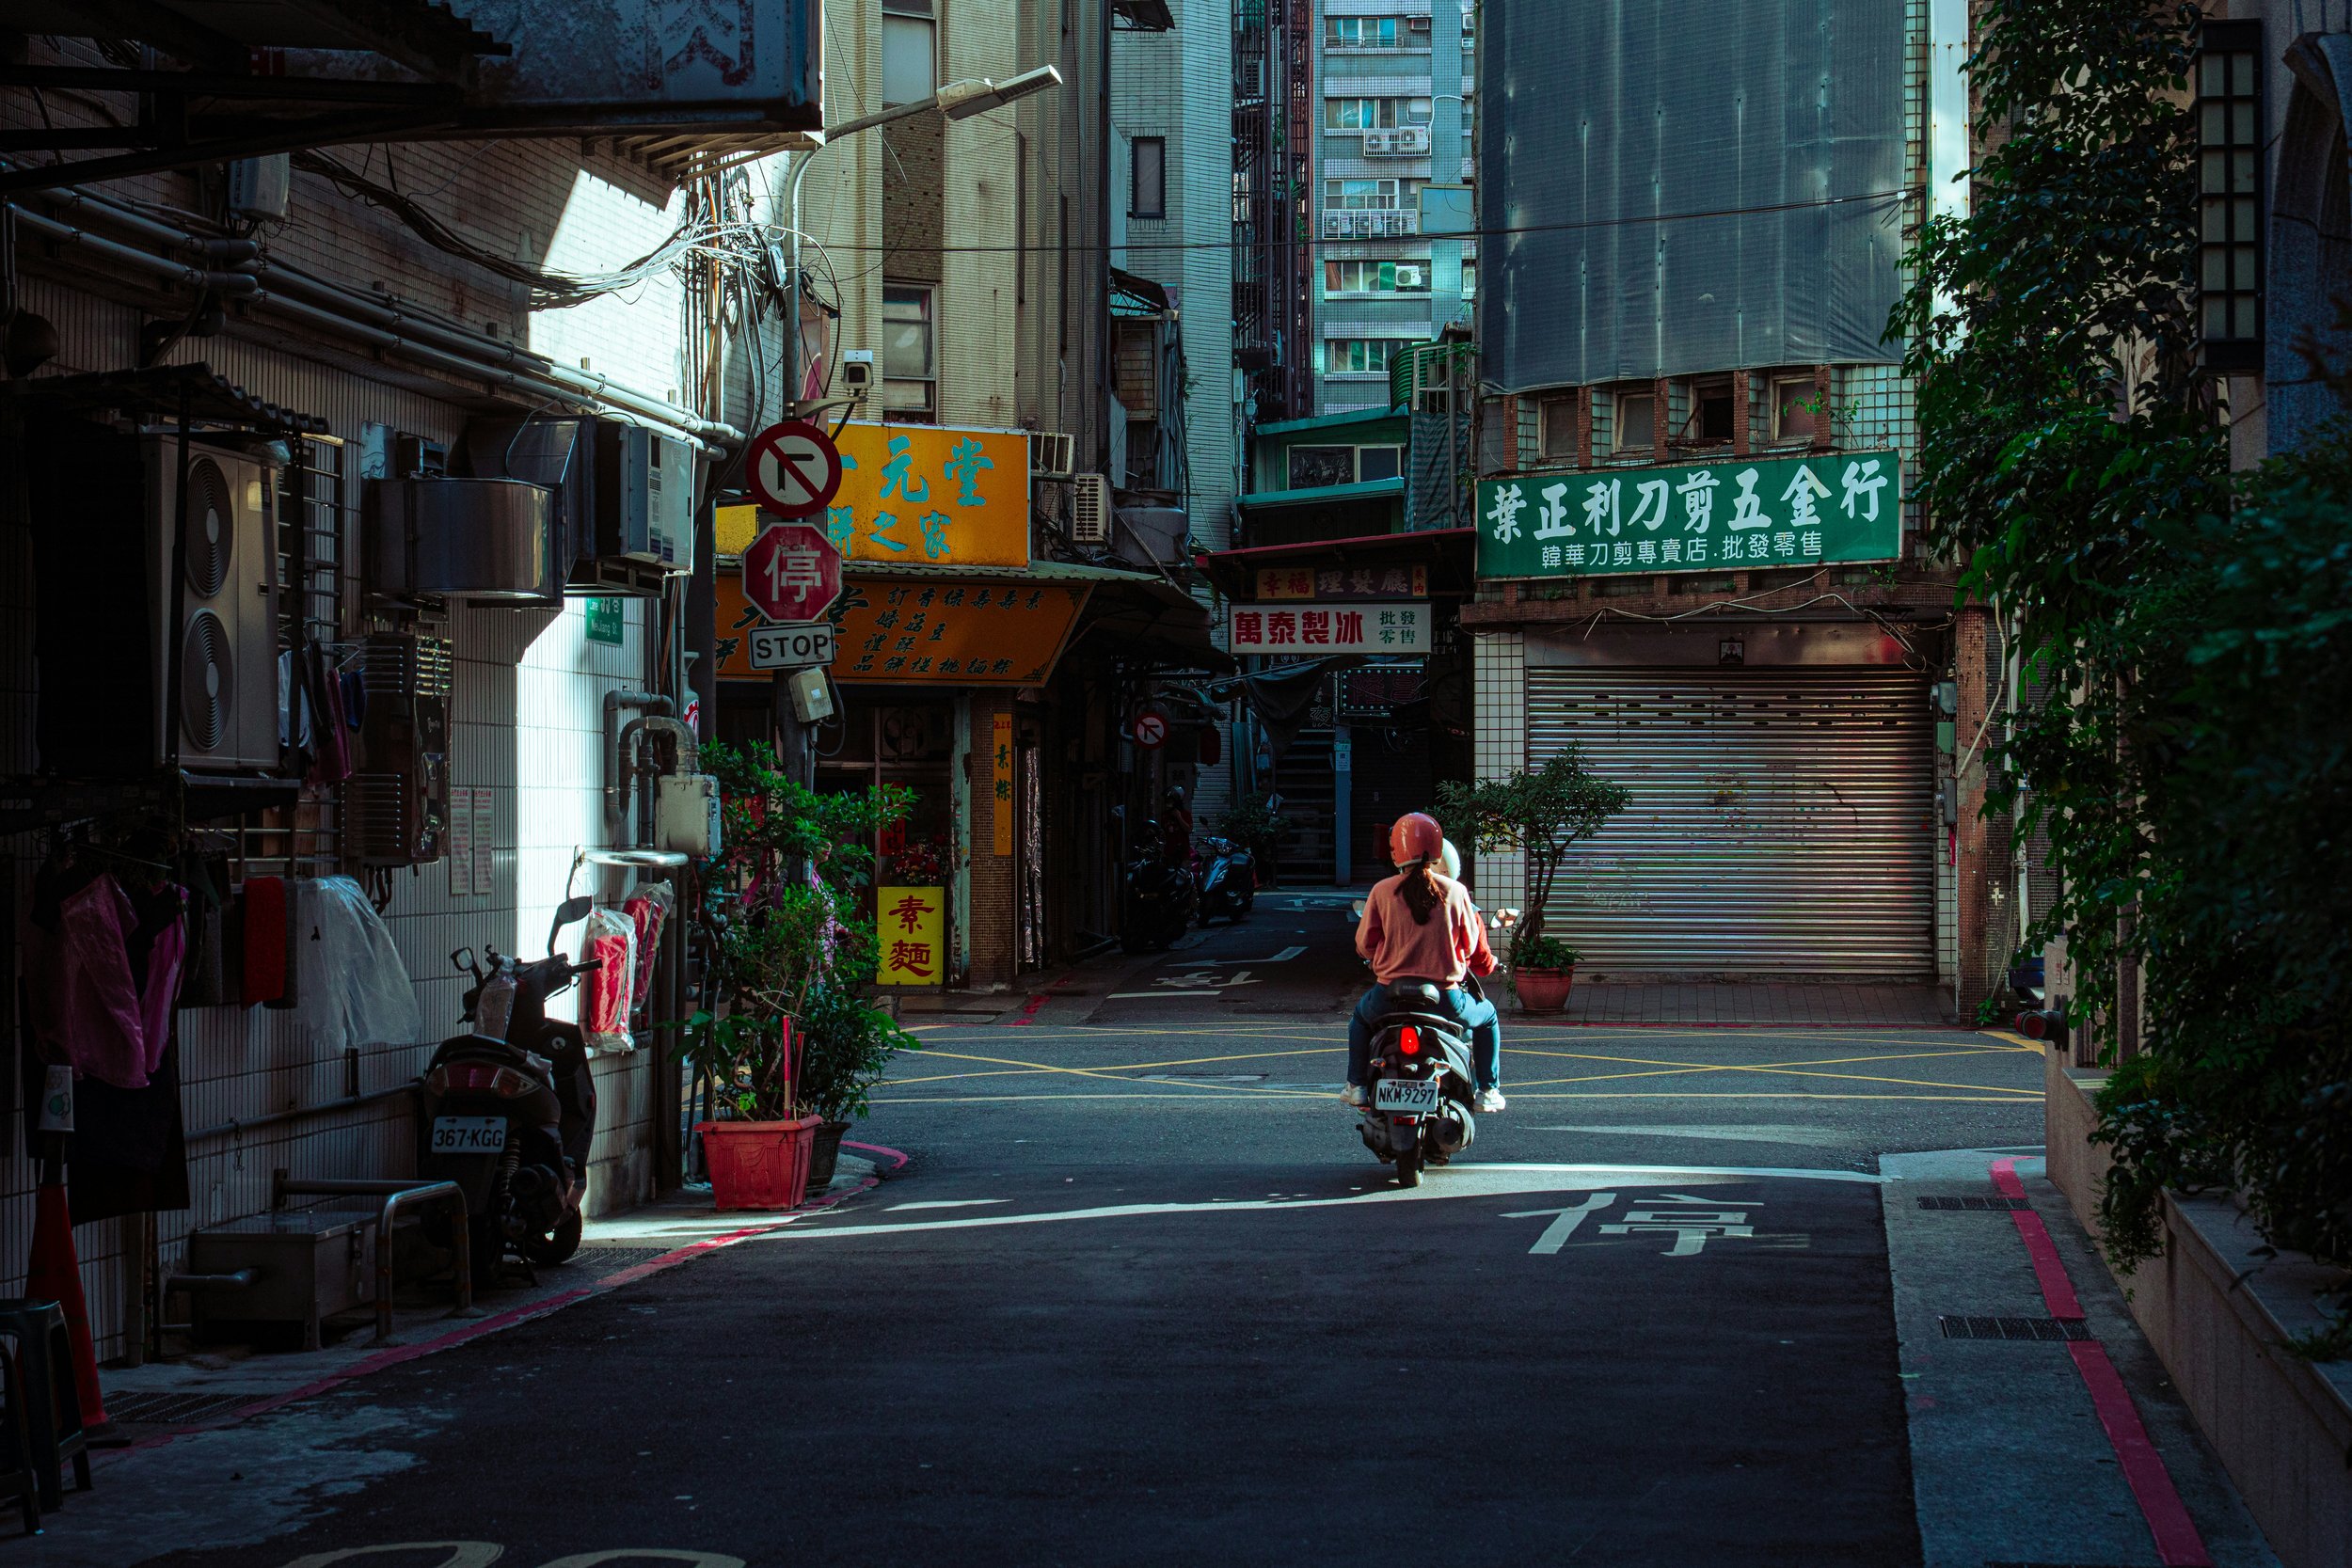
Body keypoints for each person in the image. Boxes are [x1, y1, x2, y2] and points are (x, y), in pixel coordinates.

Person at [1344, 812, 1505, 1114]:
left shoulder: (1382, 890)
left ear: (1396, 851)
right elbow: (1471, 947)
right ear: (1437, 847)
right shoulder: (1456, 892)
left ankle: (1357, 1086)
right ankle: (1488, 1090)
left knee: (1360, 1020)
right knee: (1488, 1018)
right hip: (1445, 999)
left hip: (1388, 996)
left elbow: (1364, 946)